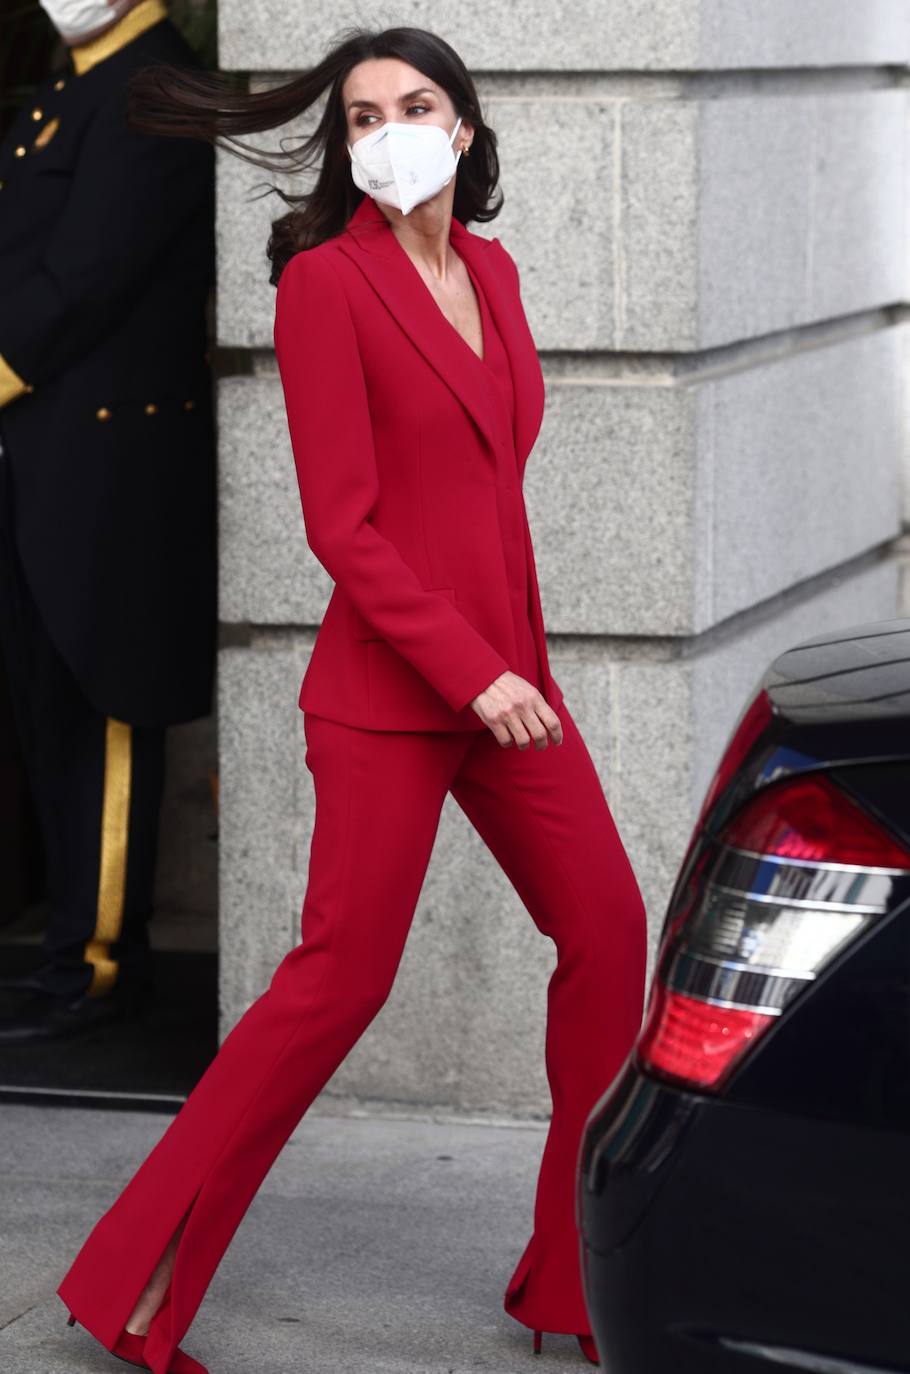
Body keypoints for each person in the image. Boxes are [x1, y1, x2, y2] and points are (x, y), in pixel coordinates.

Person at [55, 25, 648, 1373]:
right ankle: (129, 1286)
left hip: (511, 687)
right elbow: (346, 526)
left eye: (414, 104)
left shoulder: (491, 274)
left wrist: (515, 667)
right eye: (361, 112)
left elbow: (491, 495)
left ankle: (570, 1280)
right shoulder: (327, 286)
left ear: (464, 127)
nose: (384, 127)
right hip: (397, 693)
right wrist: (473, 671)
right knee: (335, 985)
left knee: (610, 937)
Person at [0, 0, 216, 1041]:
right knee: (48, 713)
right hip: (43, 459)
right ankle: (59, 951)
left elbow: (84, 276)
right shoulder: (75, 81)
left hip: (110, 470)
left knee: (103, 713)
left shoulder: (156, 86)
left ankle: (93, 967)